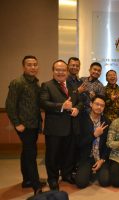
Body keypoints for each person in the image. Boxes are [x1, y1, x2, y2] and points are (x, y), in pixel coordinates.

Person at [40, 60, 83, 190]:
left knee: (69, 154)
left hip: (71, 128)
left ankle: (67, 175)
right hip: (55, 129)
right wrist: (61, 106)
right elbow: (43, 103)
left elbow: (79, 102)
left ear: (67, 71)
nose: (60, 72)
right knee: (53, 156)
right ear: (53, 71)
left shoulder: (72, 86)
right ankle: (52, 179)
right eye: (57, 70)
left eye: (63, 70)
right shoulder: (47, 85)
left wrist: (77, 109)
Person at [5, 55, 45, 195]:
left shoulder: (35, 83)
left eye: (35, 64)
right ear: (23, 67)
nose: (33, 67)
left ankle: (27, 180)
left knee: (26, 152)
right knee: (31, 154)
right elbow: (9, 106)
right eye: (29, 64)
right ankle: (36, 186)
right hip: (24, 126)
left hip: (33, 125)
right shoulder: (17, 82)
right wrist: (17, 123)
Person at [75, 95, 110, 188]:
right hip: (87, 157)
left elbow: (108, 144)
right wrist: (94, 135)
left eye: (102, 105)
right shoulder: (82, 119)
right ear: (91, 104)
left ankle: (98, 169)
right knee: (81, 183)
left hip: (100, 156)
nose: (99, 107)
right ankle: (87, 170)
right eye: (97, 104)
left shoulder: (106, 121)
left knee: (105, 181)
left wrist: (102, 160)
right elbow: (78, 143)